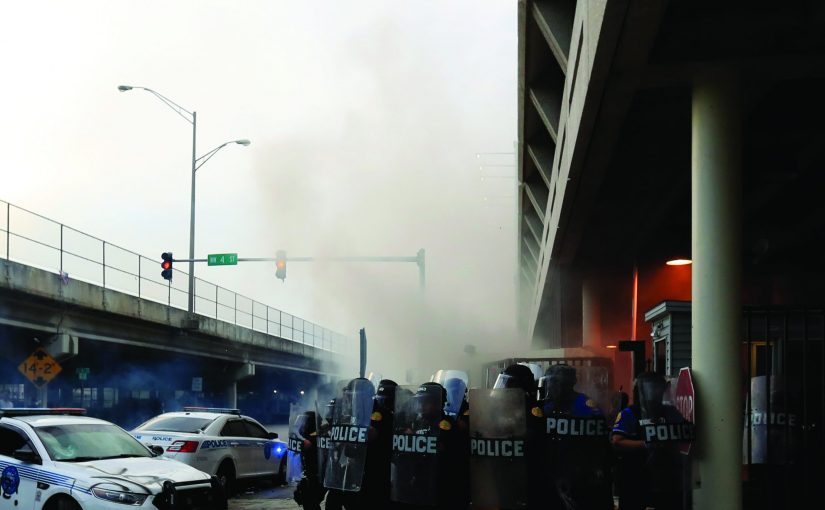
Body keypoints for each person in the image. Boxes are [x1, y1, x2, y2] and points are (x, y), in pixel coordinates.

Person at [540, 364, 613, 510]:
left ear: (570, 383)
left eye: (557, 382)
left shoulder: (585, 406)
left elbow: (598, 444)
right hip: (552, 474)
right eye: (551, 382)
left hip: (581, 477)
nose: (552, 387)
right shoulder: (546, 406)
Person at [611, 371, 686, 510]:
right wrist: (646, 444)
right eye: (652, 387)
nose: (655, 391)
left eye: (658, 387)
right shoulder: (630, 413)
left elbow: (683, 433)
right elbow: (617, 440)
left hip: (666, 476)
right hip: (636, 476)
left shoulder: (670, 411)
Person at [390, 382, 460, 510]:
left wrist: (414, 438)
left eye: (426, 402)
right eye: (420, 401)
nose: (421, 405)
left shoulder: (445, 424)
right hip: (415, 485)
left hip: (437, 486)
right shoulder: (416, 422)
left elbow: (440, 446)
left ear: (438, 403)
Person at [292, 411, 326, 510]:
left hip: (316, 476)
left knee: (310, 501)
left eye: (304, 422)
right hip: (311, 475)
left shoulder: (312, 438)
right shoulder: (318, 435)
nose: (301, 425)